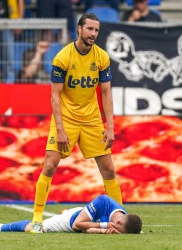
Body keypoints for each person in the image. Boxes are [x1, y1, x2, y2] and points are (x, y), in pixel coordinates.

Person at [30, 13, 123, 234]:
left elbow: (106, 93)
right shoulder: (62, 58)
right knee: (50, 164)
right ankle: (36, 219)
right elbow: (54, 96)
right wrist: (60, 130)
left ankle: (122, 219)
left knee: (109, 170)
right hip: (67, 118)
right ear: (79, 29)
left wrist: (110, 127)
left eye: (96, 30)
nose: (93, 34)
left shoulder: (102, 57)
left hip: (91, 120)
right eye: (89, 29)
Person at [0, 195, 142, 234]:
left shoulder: (125, 219)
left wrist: (103, 231)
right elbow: (76, 225)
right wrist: (104, 226)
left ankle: (66, 211)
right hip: (71, 221)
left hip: (85, 217)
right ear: (118, 223)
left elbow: (88, 230)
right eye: (117, 231)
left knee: (86, 226)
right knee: (34, 228)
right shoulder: (103, 201)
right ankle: (2, 227)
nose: (115, 232)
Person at [0, 0, 25, 83]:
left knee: (8, 54)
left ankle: (8, 80)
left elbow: (20, 1)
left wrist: (19, 21)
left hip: (8, 23)